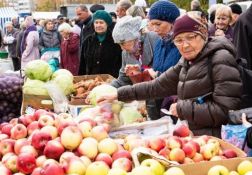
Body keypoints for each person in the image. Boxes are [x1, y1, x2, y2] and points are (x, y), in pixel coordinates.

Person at [97, 12, 242, 138]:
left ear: (203, 35)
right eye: (178, 40)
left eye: (191, 37)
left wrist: (181, 108)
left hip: (217, 141)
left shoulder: (221, 58)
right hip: (195, 138)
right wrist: (118, 94)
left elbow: (224, 110)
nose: (184, 45)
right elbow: (157, 86)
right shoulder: (187, 61)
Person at [111, 16, 158, 87]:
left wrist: (143, 70)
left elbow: (164, 74)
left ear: (134, 37)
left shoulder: (154, 40)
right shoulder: (125, 54)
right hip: (140, 94)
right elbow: (123, 80)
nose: (122, 48)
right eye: (119, 44)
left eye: (123, 43)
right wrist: (108, 87)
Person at [79, 10, 122, 77]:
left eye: (101, 22)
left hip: (111, 81)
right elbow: (82, 64)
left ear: (107, 24)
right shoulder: (87, 41)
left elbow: (120, 64)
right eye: (96, 22)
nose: (98, 25)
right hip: (91, 82)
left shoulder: (115, 42)